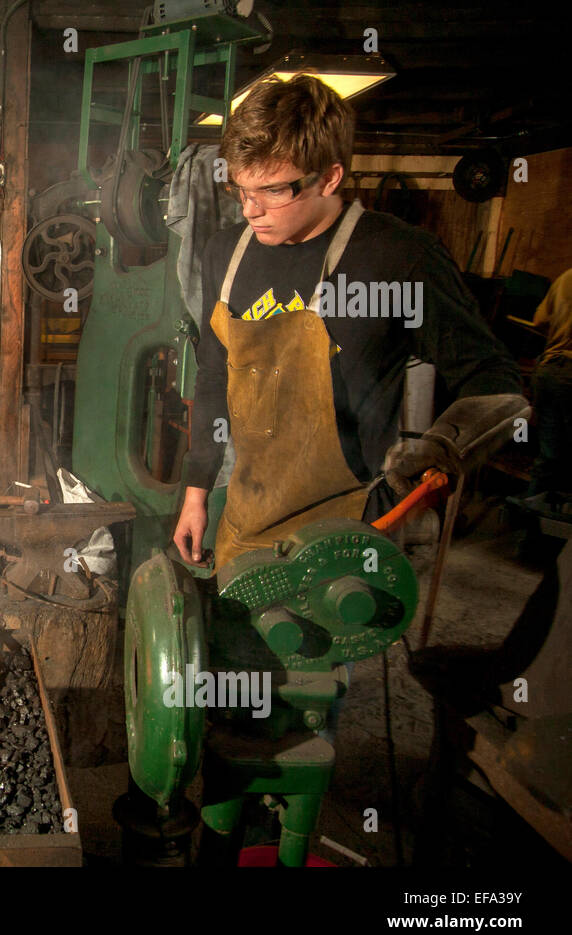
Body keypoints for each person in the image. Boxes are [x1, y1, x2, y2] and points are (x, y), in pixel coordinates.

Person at [173, 75, 525, 570]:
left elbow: (493, 379)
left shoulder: (398, 258)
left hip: (352, 534)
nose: (251, 210)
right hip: (245, 523)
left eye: (273, 191)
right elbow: (213, 374)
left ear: (329, 178)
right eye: (241, 190)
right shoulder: (224, 254)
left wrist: (442, 449)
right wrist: (196, 492)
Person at [525, 268, 572, 502]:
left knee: (549, 457)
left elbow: (540, 320)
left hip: (550, 370)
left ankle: (532, 530)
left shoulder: (566, 277)